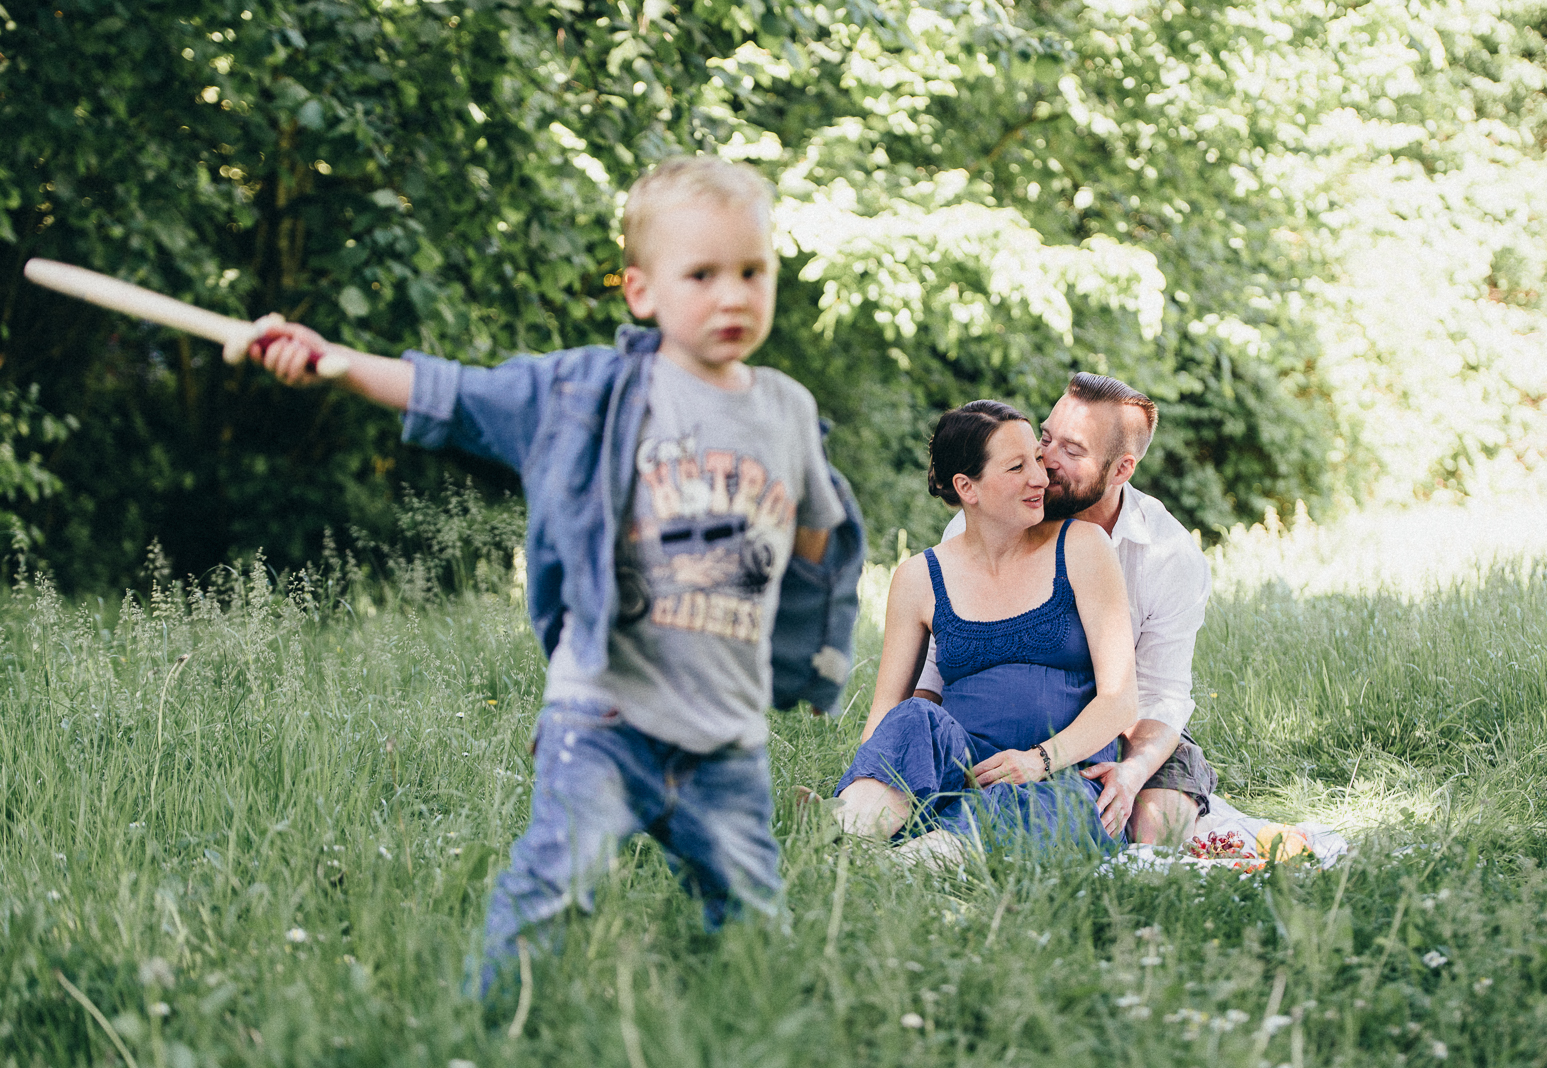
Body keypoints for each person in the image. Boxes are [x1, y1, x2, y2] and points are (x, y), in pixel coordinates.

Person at [245, 156, 863, 989]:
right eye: (703, 274)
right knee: (550, 885)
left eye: (753, 272)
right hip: (604, 714)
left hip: (726, 738)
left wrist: (800, 640)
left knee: (755, 923)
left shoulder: (785, 406)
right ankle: (488, 1026)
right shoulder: (588, 392)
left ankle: (749, 1031)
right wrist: (338, 361)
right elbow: (454, 394)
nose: (733, 296)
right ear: (642, 291)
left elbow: (823, 531)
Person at [914, 373, 1217, 845]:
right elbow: (941, 658)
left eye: (1072, 452)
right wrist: (909, 752)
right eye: (1046, 438)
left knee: (1154, 832)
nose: (1046, 463)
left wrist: (1131, 773)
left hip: (1127, 728)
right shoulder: (989, 520)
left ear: (1121, 470)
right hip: (1004, 725)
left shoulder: (1167, 554)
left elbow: (1161, 696)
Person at [831, 401, 1138, 861]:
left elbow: (1120, 699)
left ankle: (908, 861)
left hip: (1061, 776)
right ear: (966, 487)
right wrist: (872, 768)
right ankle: (842, 833)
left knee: (1021, 811)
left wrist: (1039, 760)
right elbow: (885, 712)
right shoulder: (919, 578)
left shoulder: (1081, 547)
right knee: (915, 717)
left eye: (1037, 457)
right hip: (961, 768)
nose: (1040, 476)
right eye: (1018, 467)